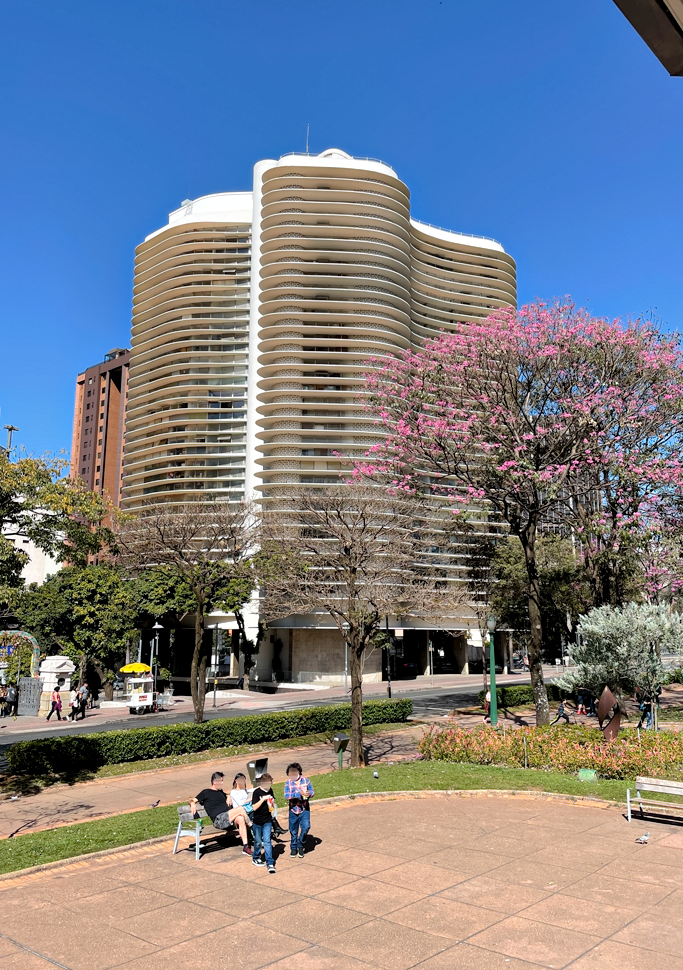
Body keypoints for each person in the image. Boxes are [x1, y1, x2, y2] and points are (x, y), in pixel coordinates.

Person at [189, 771, 252, 855]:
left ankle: (246, 846)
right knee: (240, 809)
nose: (222, 783)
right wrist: (192, 803)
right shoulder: (206, 792)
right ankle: (252, 826)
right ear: (214, 782)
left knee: (240, 818)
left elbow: (227, 796)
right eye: (221, 781)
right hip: (219, 820)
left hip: (228, 818)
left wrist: (228, 796)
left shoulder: (220, 792)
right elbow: (192, 800)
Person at [284, 762, 314, 859]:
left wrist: (309, 793)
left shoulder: (305, 780)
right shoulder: (288, 783)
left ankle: (300, 845)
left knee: (306, 827)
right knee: (293, 831)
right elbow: (286, 796)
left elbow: (312, 791)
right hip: (293, 810)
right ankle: (293, 848)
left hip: (304, 809)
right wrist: (298, 794)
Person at [251, 772, 277, 872]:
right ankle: (256, 856)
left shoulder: (270, 790)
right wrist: (263, 800)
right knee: (258, 841)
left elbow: (271, 806)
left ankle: (270, 863)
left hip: (267, 820)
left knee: (267, 841)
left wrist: (271, 802)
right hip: (257, 821)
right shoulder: (256, 793)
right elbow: (254, 807)